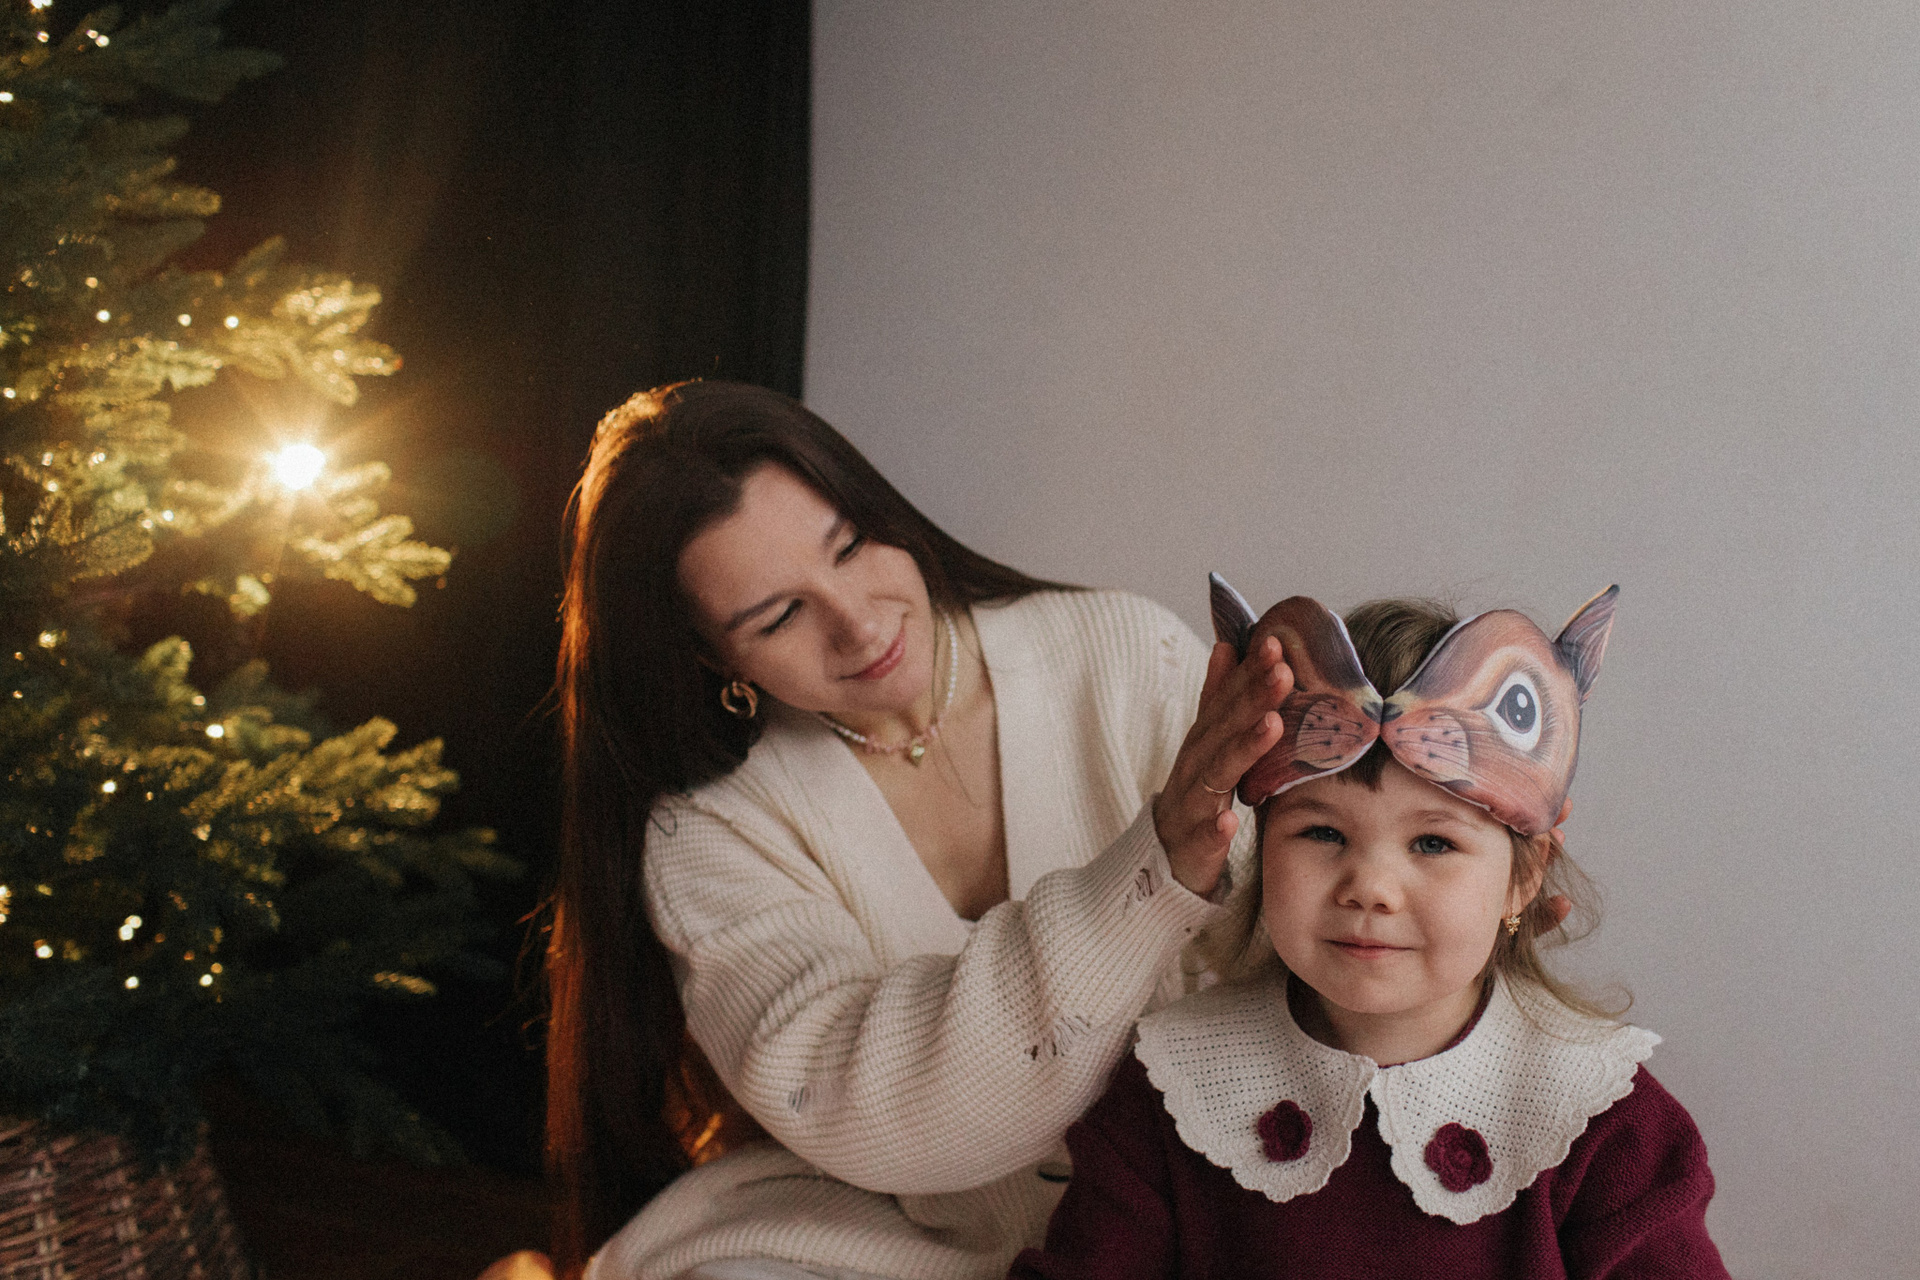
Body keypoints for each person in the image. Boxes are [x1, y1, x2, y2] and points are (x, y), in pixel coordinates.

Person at [542, 382, 1291, 1280]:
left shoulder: (1119, 653)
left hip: (1209, 1204)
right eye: (779, 616)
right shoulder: (707, 830)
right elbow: (872, 1111)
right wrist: (1153, 870)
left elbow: (1290, 957)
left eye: (852, 546)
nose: (859, 624)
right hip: (919, 1232)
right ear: (712, 658)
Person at [1010, 586, 1730, 1279]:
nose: (1371, 888)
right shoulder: (1172, 1086)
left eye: (1433, 843)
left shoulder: (1603, 1120)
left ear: (1523, 877)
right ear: (1262, 851)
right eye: (1323, 832)